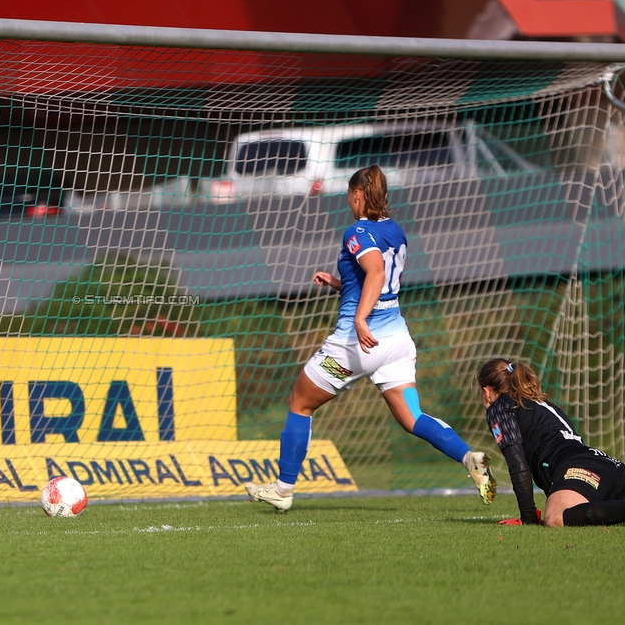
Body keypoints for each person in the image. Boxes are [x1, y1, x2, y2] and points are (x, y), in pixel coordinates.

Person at [245, 165, 495, 511]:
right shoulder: (396, 231)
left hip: (358, 342)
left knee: (300, 402)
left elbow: (375, 270)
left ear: (358, 194)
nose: (349, 201)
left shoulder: (356, 231)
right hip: (396, 341)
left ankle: (283, 489)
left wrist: (360, 319)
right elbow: (378, 279)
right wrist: (337, 283)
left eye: (350, 195)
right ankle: (469, 458)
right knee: (413, 418)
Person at [477, 358, 625, 527]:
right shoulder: (543, 404)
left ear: (487, 392)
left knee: (556, 517)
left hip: (577, 466)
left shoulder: (499, 407)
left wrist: (529, 517)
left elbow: (518, 464)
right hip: (607, 464)